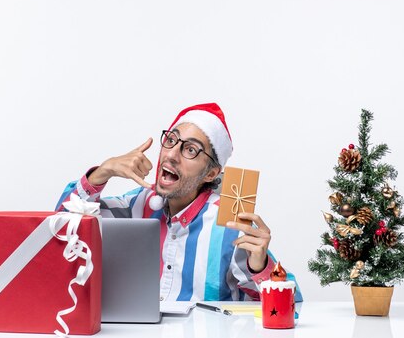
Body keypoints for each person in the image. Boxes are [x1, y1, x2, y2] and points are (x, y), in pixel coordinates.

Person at [56, 103, 302, 302]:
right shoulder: (135, 205)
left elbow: (292, 304)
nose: (172, 154)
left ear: (211, 174)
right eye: (171, 140)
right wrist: (102, 173)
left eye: (191, 150)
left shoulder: (230, 225)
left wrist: (259, 268)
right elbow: (60, 230)